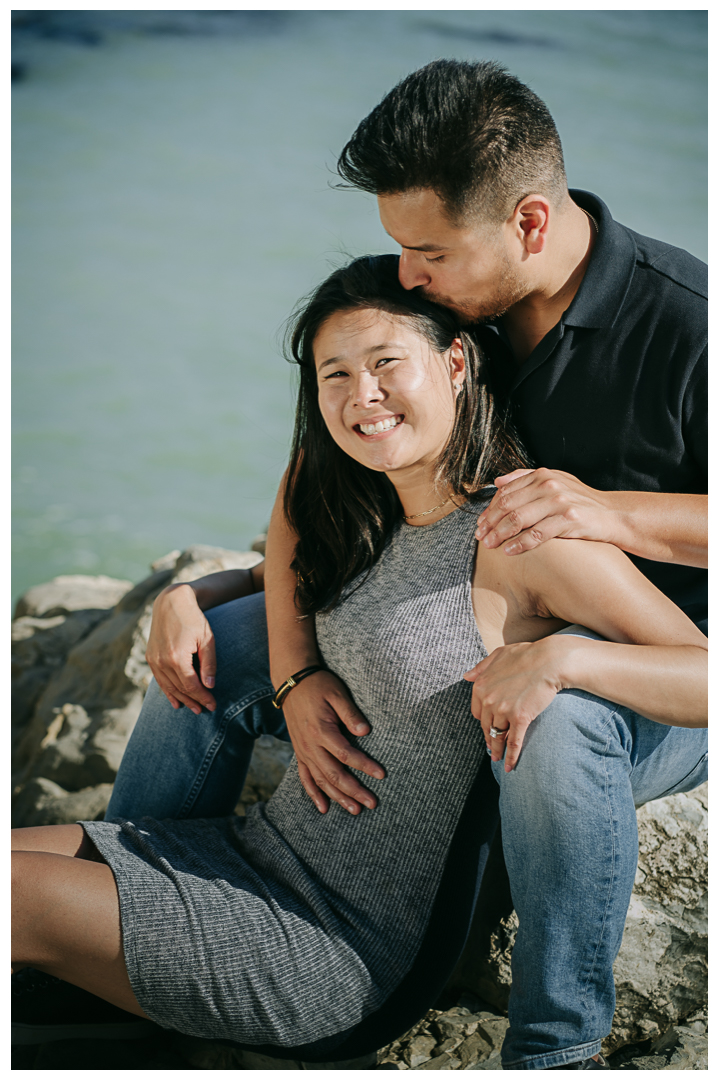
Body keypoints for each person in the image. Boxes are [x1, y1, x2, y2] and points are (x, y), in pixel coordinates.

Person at [116, 61, 707, 1070]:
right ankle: (140, 918)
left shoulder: (689, 325)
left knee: (556, 728)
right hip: (458, 610)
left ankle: (557, 1048)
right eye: (399, 246)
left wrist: (611, 519)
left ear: (527, 224)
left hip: (653, 674)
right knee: (209, 656)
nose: (407, 276)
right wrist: (252, 632)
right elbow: (319, 473)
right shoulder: (453, 305)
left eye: (425, 250)